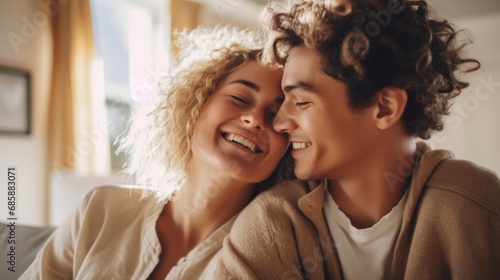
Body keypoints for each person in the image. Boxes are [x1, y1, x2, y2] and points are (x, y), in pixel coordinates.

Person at [214, 0, 500, 279]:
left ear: (384, 107)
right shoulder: (271, 223)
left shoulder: (477, 204)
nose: (279, 123)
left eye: (300, 101)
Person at [20, 26, 294, 280]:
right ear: (194, 106)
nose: (256, 119)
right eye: (240, 99)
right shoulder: (99, 210)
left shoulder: (272, 256)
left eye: (275, 114)